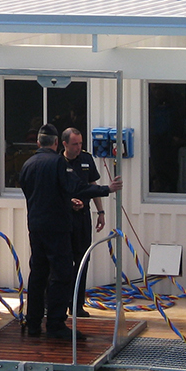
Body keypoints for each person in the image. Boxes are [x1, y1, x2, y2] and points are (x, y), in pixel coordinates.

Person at [18, 124, 120, 341]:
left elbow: (35, 193)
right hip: (57, 227)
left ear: (38, 143)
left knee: (38, 274)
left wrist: (65, 202)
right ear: (57, 143)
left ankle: (34, 322)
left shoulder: (27, 164)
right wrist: (106, 189)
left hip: (35, 227)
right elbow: (78, 187)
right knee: (63, 273)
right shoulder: (57, 163)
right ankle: (55, 323)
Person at [61, 127, 108, 318]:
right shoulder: (57, 162)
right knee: (62, 261)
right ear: (64, 144)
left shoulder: (86, 159)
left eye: (80, 143)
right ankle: (57, 303)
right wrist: (69, 202)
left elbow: (93, 186)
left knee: (82, 259)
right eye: (75, 144)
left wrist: (101, 211)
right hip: (63, 216)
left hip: (83, 217)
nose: (78, 147)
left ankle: (77, 304)